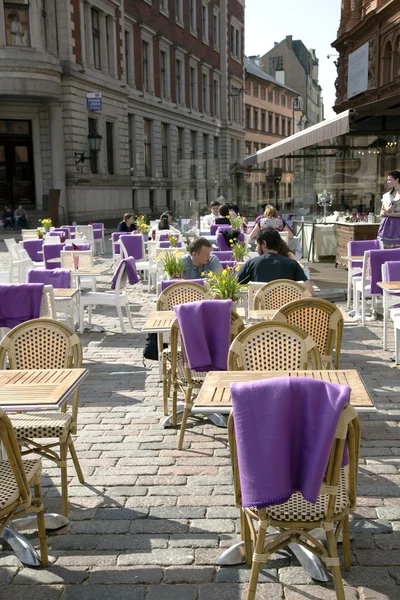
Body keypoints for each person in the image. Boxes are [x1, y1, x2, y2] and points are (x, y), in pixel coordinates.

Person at [237, 227, 314, 296]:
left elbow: (234, 286)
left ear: (264, 243)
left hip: (259, 310)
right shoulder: (292, 264)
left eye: (257, 245)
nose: (256, 249)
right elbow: (310, 292)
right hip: (285, 310)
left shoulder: (251, 264)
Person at [378, 170, 400, 248]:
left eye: (390, 180)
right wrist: (386, 212)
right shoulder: (387, 195)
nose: (388, 182)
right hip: (387, 227)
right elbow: (381, 213)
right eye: (387, 180)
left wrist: (390, 214)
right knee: (385, 250)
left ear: (397, 180)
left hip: (398, 226)